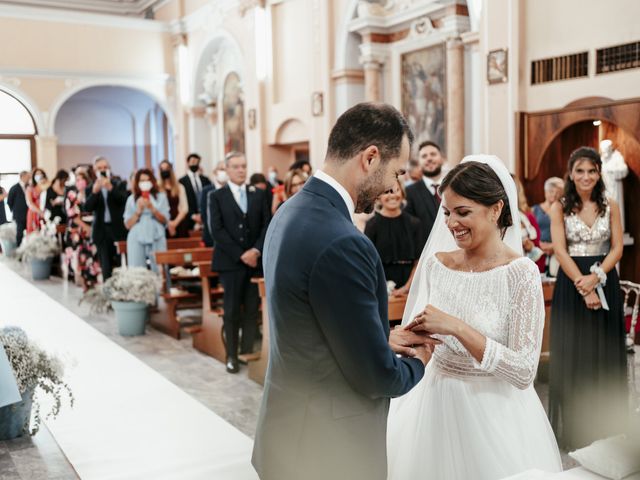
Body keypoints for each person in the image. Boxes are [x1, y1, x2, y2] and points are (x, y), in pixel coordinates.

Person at [253, 103, 435, 480]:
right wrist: (420, 359)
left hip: (289, 429)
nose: (394, 187)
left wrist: (380, 337)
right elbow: (376, 377)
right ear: (370, 157)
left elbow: (313, 325)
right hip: (329, 448)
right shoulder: (344, 242)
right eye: (396, 172)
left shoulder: (290, 212)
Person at [387, 156, 562, 480]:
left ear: (496, 209)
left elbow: (524, 371)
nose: (452, 223)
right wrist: (398, 339)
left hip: (493, 412)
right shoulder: (436, 265)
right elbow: (421, 337)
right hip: (432, 406)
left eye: (463, 212)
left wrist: (457, 327)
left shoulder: (520, 274)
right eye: (447, 213)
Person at [549, 146, 627, 450]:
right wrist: (585, 286)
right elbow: (559, 249)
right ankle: (575, 430)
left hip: (604, 277)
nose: (586, 177)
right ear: (571, 173)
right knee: (576, 352)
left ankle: (606, 424)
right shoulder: (561, 207)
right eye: (580, 171)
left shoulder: (612, 204)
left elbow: (618, 247)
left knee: (603, 351)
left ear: (599, 173)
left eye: (592, 171)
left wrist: (598, 278)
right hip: (572, 282)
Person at [207, 152, 271, 374]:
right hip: (231, 263)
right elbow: (217, 231)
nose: (241, 170)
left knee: (252, 309)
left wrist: (255, 250)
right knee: (232, 310)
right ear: (227, 169)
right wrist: (241, 254)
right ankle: (231, 355)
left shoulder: (259, 194)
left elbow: (266, 226)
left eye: (244, 166)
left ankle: (246, 352)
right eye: (235, 166)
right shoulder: (217, 196)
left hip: (254, 262)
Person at [365, 180, 425, 296]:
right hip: (380, 288)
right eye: (386, 192)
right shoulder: (372, 225)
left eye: (396, 191)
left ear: (402, 194)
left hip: (409, 289)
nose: (392, 195)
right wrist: (382, 288)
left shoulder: (414, 224)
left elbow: (418, 262)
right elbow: (369, 263)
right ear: (378, 197)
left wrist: (406, 288)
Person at [83, 156, 129, 280]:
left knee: (122, 264)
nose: (103, 170)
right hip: (101, 231)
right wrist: (94, 192)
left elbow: (124, 200)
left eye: (105, 167)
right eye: (99, 168)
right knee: (106, 266)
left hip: (118, 230)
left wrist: (111, 189)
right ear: (94, 170)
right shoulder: (90, 188)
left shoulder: (119, 184)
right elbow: (87, 208)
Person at [124, 169, 169, 272]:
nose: (145, 183)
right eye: (142, 181)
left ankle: (161, 287)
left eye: (147, 180)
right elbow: (127, 224)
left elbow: (165, 220)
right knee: (137, 269)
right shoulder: (131, 199)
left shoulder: (161, 197)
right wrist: (138, 212)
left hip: (156, 233)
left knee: (159, 267)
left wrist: (153, 209)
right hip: (136, 234)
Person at [63, 168, 101, 290]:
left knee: (90, 256)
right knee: (77, 256)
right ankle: (79, 279)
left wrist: (91, 227)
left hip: (91, 229)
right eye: (78, 179)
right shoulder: (71, 194)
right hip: (77, 231)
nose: (80, 182)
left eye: (82, 179)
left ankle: (91, 280)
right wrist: (86, 227)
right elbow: (72, 215)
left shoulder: (91, 193)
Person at [405, 140, 445, 240]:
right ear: (419, 163)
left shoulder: (455, 187)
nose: (429, 158)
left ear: (442, 159)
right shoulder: (409, 192)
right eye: (424, 156)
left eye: (433, 154)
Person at [533, 177, 564, 275]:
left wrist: (554, 246)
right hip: (537, 250)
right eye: (551, 191)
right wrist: (539, 245)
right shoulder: (534, 210)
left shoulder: (564, 211)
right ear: (545, 192)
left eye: (558, 192)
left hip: (557, 251)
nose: (554, 195)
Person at [178, 153, 211, 231]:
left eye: (197, 162)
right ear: (188, 163)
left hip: (205, 217)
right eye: (192, 162)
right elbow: (182, 202)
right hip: (189, 219)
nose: (194, 164)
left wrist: (203, 215)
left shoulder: (205, 180)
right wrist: (192, 215)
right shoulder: (182, 181)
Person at [158, 160, 189, 238]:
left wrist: (174, 223)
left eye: (167, 168)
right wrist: (168, 223)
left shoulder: (180, 187)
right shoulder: (157, 188)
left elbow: (184, 208)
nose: (165, 170)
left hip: (179, 222)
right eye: (162, 169)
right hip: (162, 224)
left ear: (171, 169)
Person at [7, 171, 30, 246]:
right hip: (19, 215)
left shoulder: (29, 186)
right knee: (19, 234)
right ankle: (19, 250)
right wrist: (15, 211)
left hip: (29, 214)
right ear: (22, 177)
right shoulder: (14, 188)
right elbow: (9, 201)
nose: (29, 178)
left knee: (29, 233)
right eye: (27, 177)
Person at [26, 167, 48, 233]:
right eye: (37, 174)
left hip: (45, 212)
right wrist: (40, 212)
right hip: (34, 212)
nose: (39, 176)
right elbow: (30, 203)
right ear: (33, 176)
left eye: (41, 174)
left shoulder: (46, 186)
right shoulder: (30, 188)